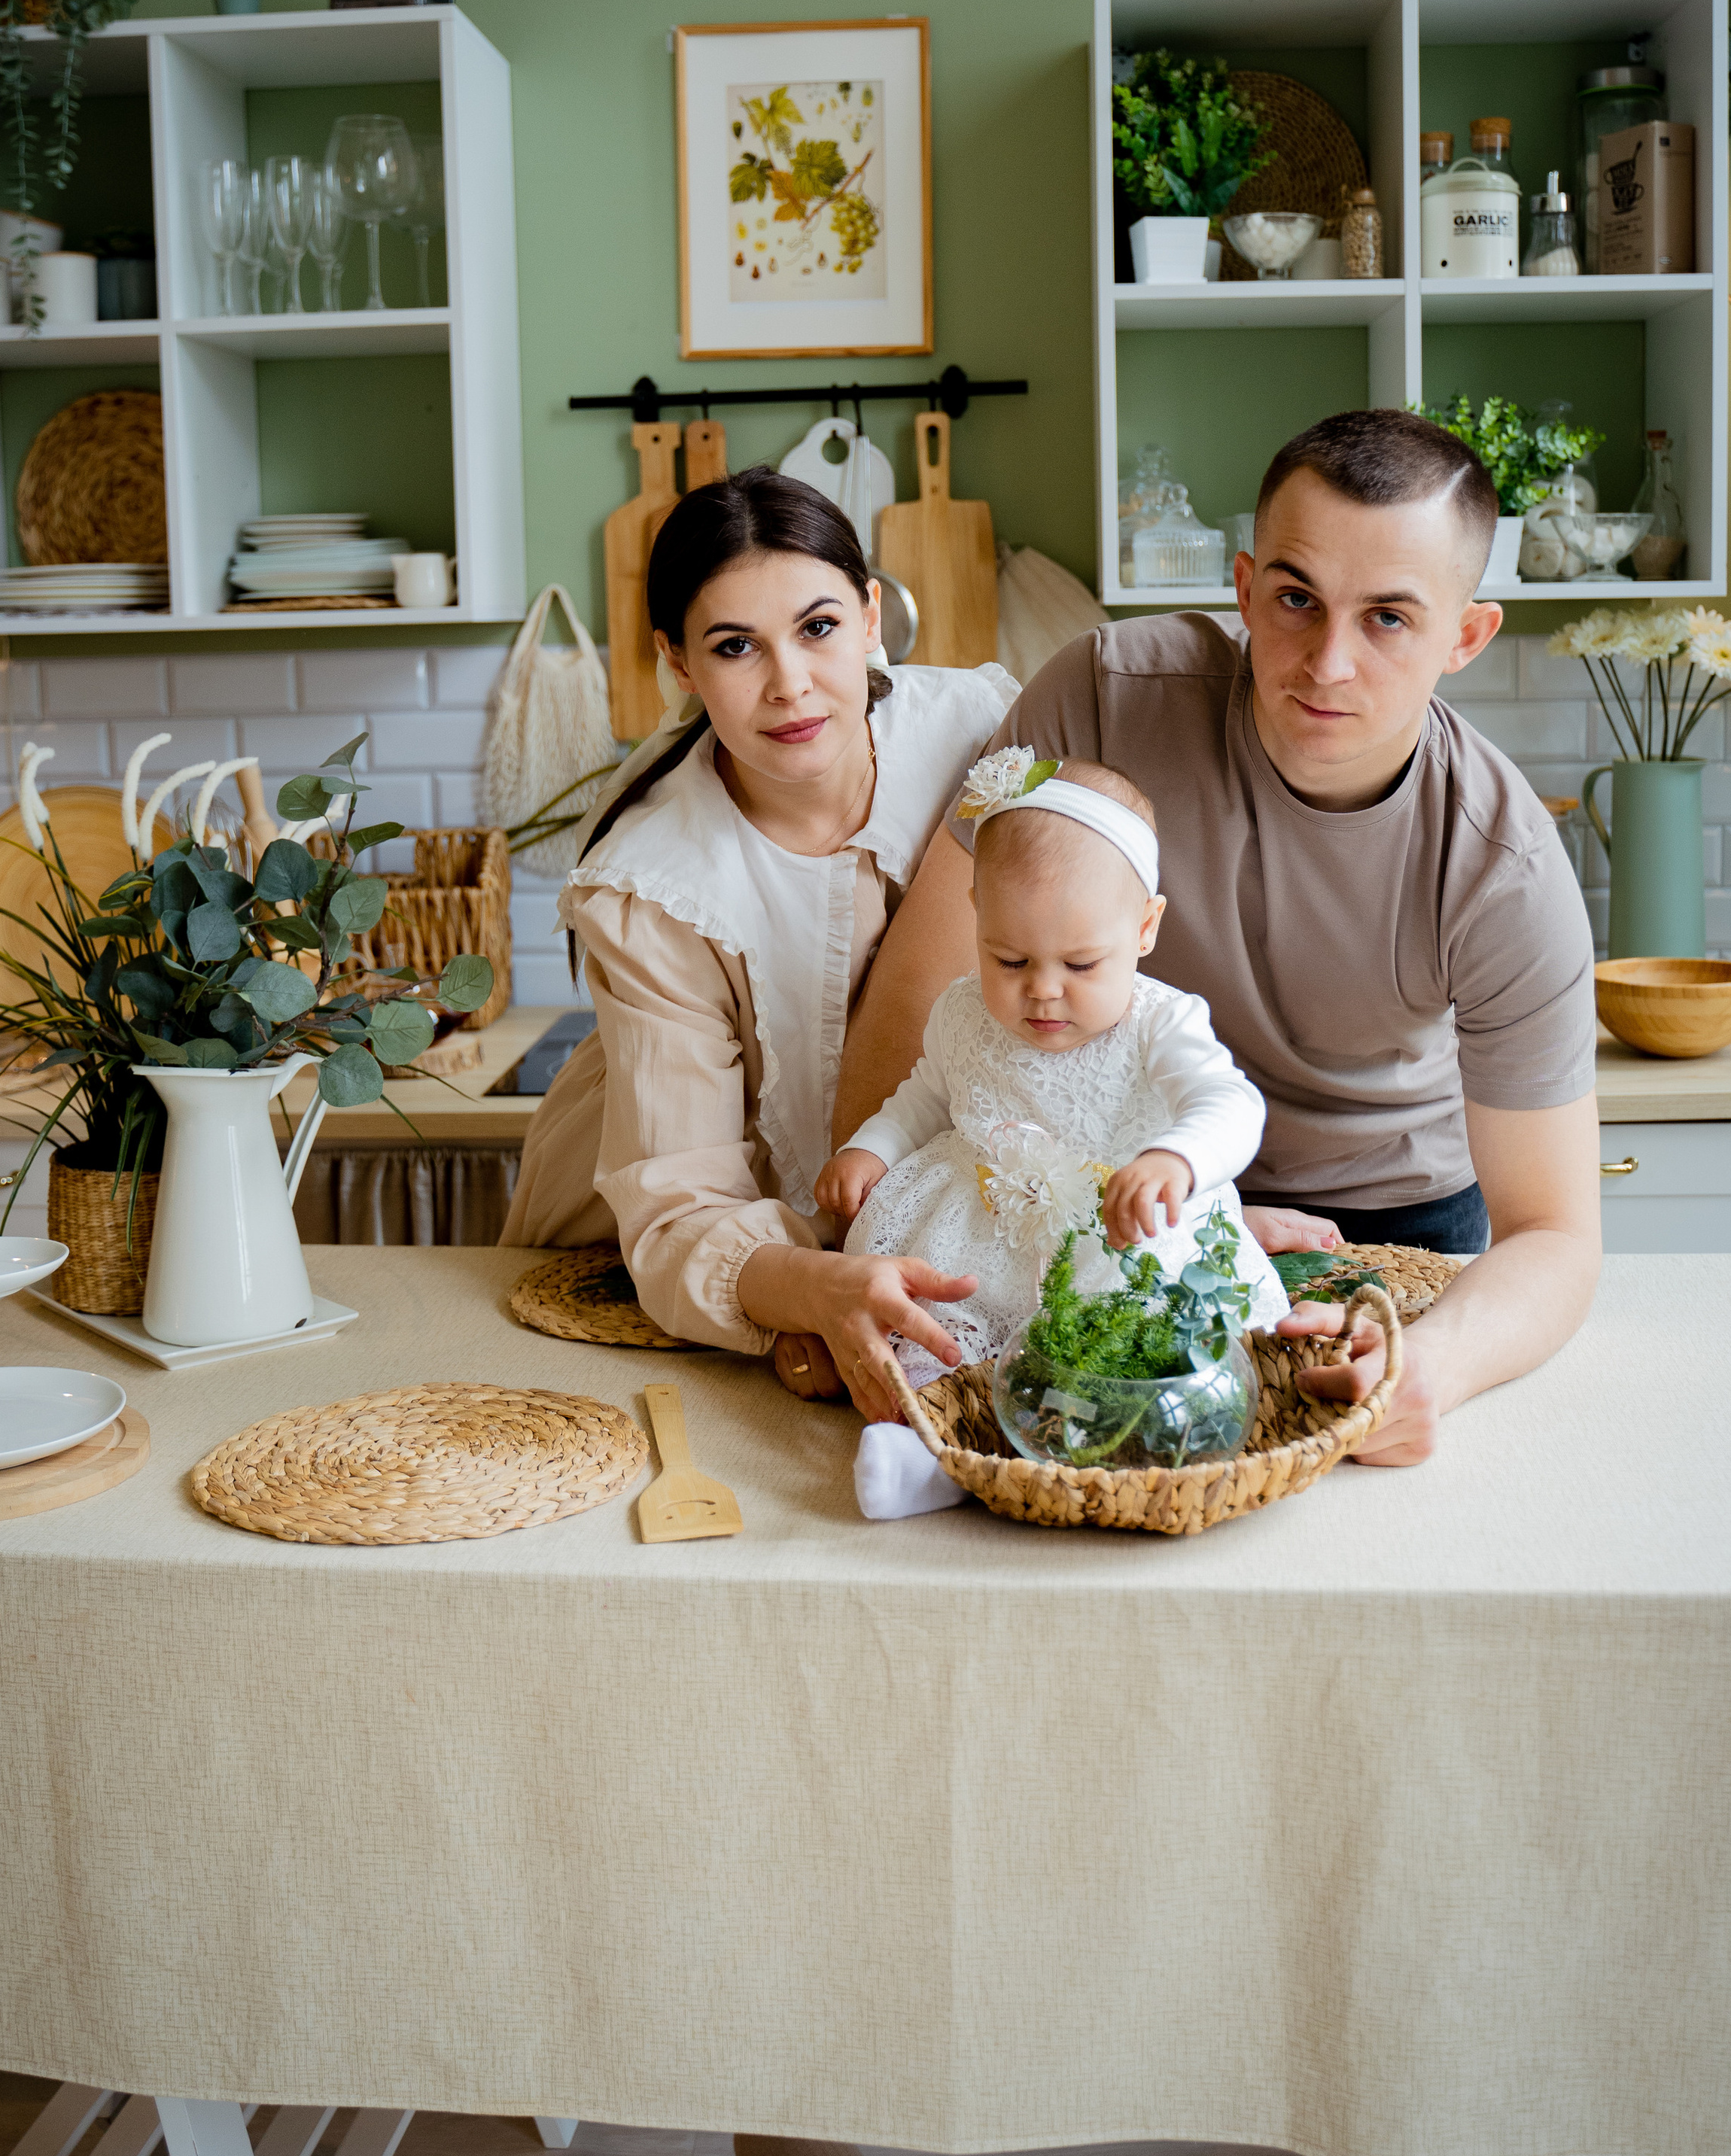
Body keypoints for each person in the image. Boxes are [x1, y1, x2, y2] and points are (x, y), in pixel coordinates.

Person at [832, 409, 1603, 1467]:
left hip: (1392, 1222)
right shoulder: (1100, 696)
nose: (1327, 663)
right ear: (1243, 589)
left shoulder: (1502, 868)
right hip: (1109, 1207)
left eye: (1388, 618)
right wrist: (843, 1254)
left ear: (1465, 637)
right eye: (1296, 600)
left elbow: (1554, 1233)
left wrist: (1441, 1364)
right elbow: (929, 989)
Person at [500, 467, 1019, 1418]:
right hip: (665, 1220)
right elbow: (680, 1212)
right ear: (679, 663)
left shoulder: (981, 735)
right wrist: (814, 1290)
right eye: (736, 646)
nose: (790, 685)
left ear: (869, 616)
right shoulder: (653, 885)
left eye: (817, 627)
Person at [816, 754, 1289, 1413]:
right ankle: (929, 1431)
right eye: (1009, 959)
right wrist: (874, 1147)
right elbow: (930, 1093)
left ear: (1145, 928)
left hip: (1118, 1243)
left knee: (1144, 1345)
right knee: (940, 1330)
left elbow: (1230, 1104)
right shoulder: (963, 1011)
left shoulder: (1160, 1022)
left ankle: (1119, 1420)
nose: (1042, 990)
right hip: (985, 1234)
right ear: (978, 915)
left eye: (1081, 963)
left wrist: (1175, 1160)